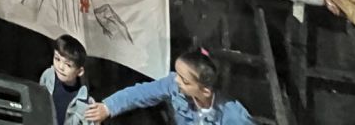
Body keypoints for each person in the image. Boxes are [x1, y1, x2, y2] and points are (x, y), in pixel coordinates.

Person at [83, 48, 254, 124]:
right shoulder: (174, 85)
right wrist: (108, 107)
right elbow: (141, 93)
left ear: (205, 91)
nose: (177, 81)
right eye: (178, 74)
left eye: (185, 81)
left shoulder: (233, 115)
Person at [38, 35, 90, 125]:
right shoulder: (48, 76)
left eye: (68, 65)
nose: (60, 67)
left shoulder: (82, 98)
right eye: (57, 59)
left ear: (80, 71)